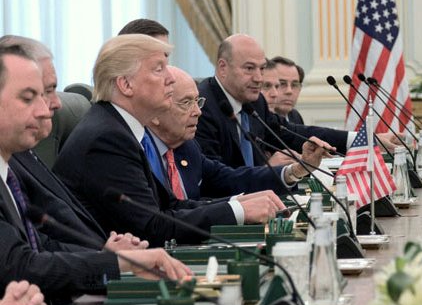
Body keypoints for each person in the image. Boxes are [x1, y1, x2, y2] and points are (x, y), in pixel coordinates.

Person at [0, 44, 190, 305]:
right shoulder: (104, 137)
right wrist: (113, 261)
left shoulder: (10, 169)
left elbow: (37, 250)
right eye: (27, 97)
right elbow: (20, 266)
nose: (45, 110)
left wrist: (107, 257)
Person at [54, 34, 286, 247]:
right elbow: (152, 228)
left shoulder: (123, 128)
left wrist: (239, 203)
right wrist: (237, 210)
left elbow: (169, 207)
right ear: (125, 84)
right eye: (159, 70)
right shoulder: (107, 139)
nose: (170, 79)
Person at [0, 35, 145, 250]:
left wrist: (107, 254)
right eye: (30, 96)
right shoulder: (12, 159)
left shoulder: (24, 154)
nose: (54, 103)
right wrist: (106, 259)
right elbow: (28, 255)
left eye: (44, 93)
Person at [150, 67, 321, 199]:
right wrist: (238, 208)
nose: (197, 112)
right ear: (155, 113)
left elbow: (230, 179)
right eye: (186, 103)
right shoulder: (140, 152)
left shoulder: (187, 148)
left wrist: (295, 170)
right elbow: (170, 214)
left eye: (197, 101)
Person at [195, 34, 349, 168]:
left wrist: (353, 139)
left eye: (261, 69)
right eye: (249, 68)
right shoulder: (202, 107)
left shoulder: (255, 101)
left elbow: (289, 133)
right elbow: (215, 179)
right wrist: (268, 170)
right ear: (223, 68)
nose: (258, 78)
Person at [263, 56, 305, 124]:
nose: (289, 91)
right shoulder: (256, 119)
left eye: (294, 85)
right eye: (281, 84)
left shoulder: (295, 116)